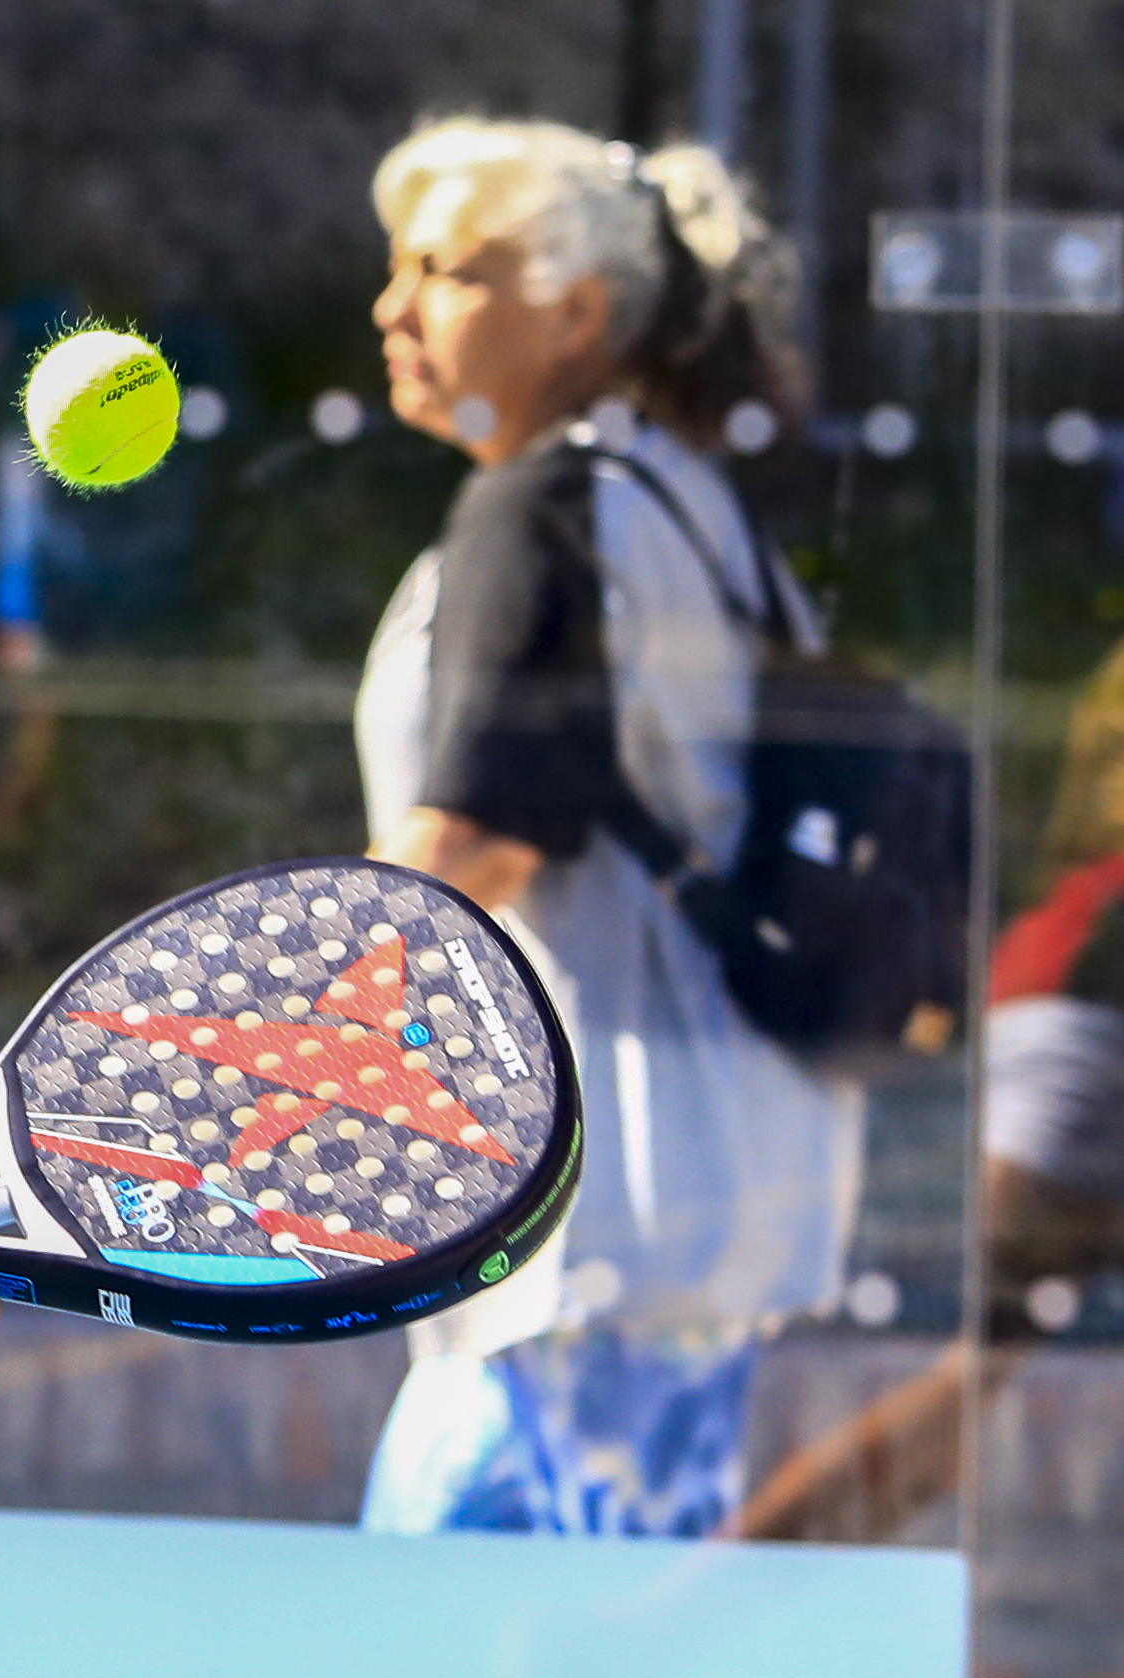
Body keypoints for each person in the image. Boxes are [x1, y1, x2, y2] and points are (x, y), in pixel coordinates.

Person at [345, 117, 862, 1537]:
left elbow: (472, 847)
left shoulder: (540, 508)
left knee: (463, 1671)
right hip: (705, 1201)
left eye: (445, 272)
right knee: (594, 1668)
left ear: (576, 312)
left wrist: (278, 1043)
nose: (393, 309)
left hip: (587, 1228)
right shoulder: (693, 509)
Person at [739, 633, 1124, 1678]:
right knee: (963, 1395)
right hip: (1076, 1044)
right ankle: (697, 1610)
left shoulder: (1081, 882)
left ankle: (698, 1607)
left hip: (1059, 1019)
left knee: (963, 1397)